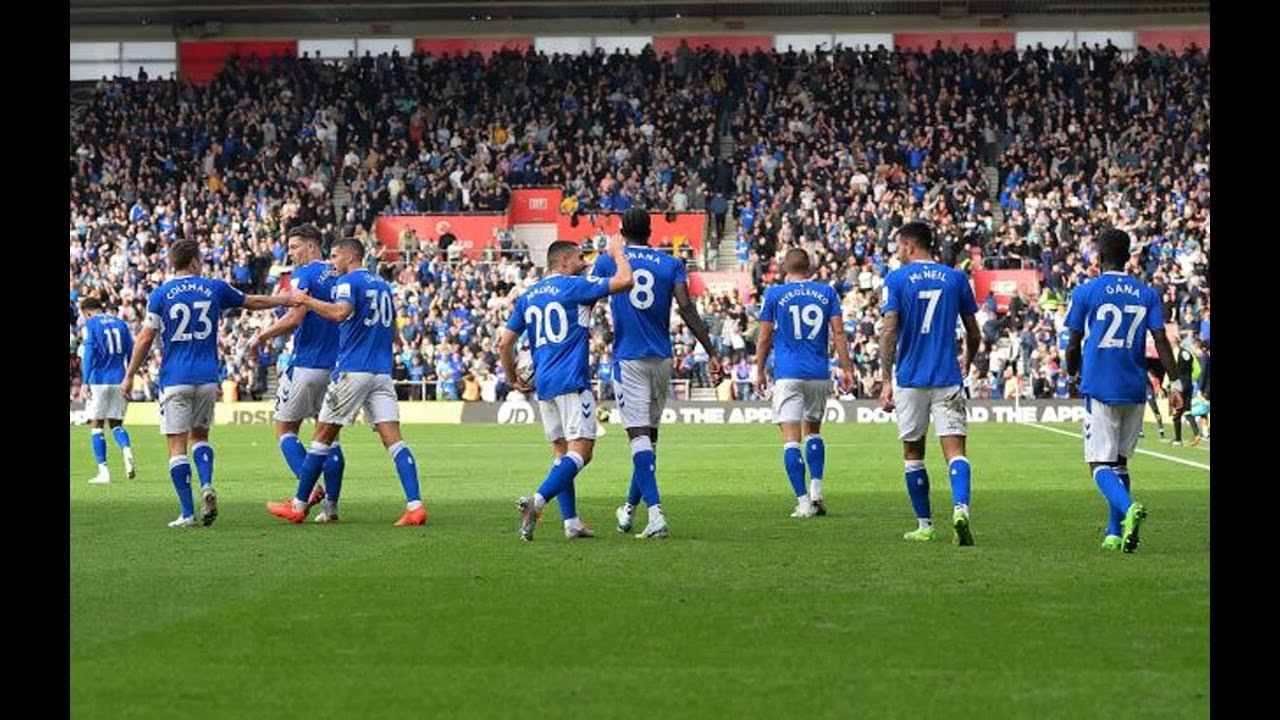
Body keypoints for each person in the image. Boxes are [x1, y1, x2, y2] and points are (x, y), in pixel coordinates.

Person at [122, 239, 292, 527]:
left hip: (175, 378)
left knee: (177, 446)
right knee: (200, 437)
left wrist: (129, 376)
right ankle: (207, 484)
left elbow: (146, 338)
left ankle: (188, 513)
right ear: (194, 262)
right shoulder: (214, 287)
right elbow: (253, 301)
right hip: (207, 377)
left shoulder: (161, 294)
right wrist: (286, 299)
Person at [267, 238, 428, 527]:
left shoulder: (347, 282)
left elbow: (339, 313)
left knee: (322, 437)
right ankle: (415, 505)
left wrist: (307, 301)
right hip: (381, 372)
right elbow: (392, 331)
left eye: (335, 256)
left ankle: (298, 504)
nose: (332, 262)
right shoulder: (382, 284)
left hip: (352, 370)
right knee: (394, 440)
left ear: (350, 257)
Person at [592, 208, 722, 539]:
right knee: (648, 440)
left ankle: (655, 514)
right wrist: (711, 351)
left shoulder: (610, 260)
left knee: (638, 439)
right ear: (651, 231)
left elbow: (587, 298)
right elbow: (687, 308)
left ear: (621, 231)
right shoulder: (671, 263)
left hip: (629, 358)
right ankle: (629, 510)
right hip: (661, 359)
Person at [499, 237, 634, 541]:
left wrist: (511, 378)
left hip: (544, 386)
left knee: (562, 456)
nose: (584, 263)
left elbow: (505, 342)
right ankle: (537, 501)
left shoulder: (529, 296)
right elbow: (626, 280)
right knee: (582, 453)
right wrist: (617, 253)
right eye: (579, 259)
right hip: (572, 381)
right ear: (563, 262)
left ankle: (571, 522)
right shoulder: (575, 287)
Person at [1066, 229, 1182, 553]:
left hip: (1100, 386)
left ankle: (1129, 509)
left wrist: (1072, 374)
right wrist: (1176, 383)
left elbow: (1074, 343)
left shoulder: (1086, 291)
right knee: (1119, 463)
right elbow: (1160, 341)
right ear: (1129, 256)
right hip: (1134, 388)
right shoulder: (1146, 293)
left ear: (1099, 258)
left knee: (1098, 465)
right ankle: (1114, 533)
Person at [877, 222, 982, 545]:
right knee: (956, 451)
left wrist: (884, 379)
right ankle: (960, 509)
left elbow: (889, 329)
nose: (897, 252)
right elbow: (973, 332)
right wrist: (968, 359)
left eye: (898, 246)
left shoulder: (895, 279)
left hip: (910, 377)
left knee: (913, 452)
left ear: (909, 245)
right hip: (947, 375)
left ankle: (925, 525)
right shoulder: (956, 278)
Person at [247, 224, 342, 513]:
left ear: (312, 246)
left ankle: (309, 489)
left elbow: (295, 317)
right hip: (336, 366)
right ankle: (331, 508)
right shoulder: (339, 273)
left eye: (294, 248)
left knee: (285, 429)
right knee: (330, 438)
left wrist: (262, 335)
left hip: (307, 364)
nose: (291, 254)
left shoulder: (305, 274)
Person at [754, 248, 855, 518]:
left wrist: (760, 370)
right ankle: (817, 490)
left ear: (785, 267)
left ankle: (802, 502)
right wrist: (847, 368)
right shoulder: (827, 293)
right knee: (813, 431)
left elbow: (764, 337)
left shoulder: (774, 294)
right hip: (819, 373)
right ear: (809, 266)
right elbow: (839, 333)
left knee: (790, 440)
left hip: (787, 373)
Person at [78, 297, 136, 484]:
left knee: (96, 426)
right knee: (116, 424)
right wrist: (130, 376)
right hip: (119, 379)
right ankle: (126, 450)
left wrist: (85, 381)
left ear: (87, 312)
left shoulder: (91, 325)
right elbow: (131, 351)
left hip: (99, 381)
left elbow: (88, 355)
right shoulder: (120, 323)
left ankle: (104, 472)